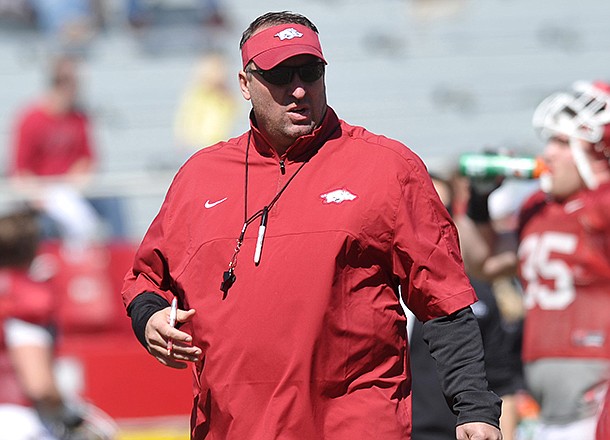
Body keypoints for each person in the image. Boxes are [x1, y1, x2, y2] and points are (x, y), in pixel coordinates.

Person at [121, 11, 502, 439]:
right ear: (245, 85)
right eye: (280, 75)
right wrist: (150, 318)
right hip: (232, 428)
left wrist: (475, 408)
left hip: (352, 427)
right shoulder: (200, 176)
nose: (298, 89)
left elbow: (444, 301)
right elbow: (145, 278)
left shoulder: (387, 168)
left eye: (310, 72)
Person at [467, 80, 610, 440]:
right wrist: (478, 205)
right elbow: (484, 265)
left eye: (563, 142)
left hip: (598, 387)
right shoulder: (538, 208)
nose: (548, 153)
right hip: (549, 398)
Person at [410, 175, 522, 440]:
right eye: (414, 210)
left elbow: (502, 381)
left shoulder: (476, 296)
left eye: (438, 211)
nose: (426, 224)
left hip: (461, 433)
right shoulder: (375, 288)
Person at [9, 53, 126, 240]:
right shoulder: (30, 119)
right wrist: (42, 196)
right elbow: (21, 171)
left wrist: (76, 181)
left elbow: (89, 159)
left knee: (113, 203)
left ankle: (122, 259)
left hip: (74, 189)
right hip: (43, 193)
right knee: (46, 223)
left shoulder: (79, 118)